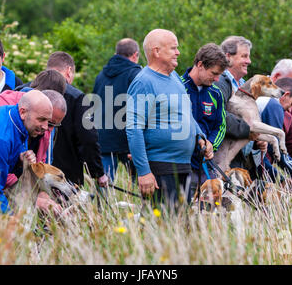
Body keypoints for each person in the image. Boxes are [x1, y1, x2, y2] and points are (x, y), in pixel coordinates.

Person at [126, 29, 213, 211]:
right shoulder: (143, 82)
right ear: (157, 51)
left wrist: (199, 136)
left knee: (179, 228)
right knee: (160, 227)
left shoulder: (174, 77)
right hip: (160, 167)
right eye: (173, 48)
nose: (178, 52)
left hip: (183, 165)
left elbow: (186, 114)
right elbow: (134, 128)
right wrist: (143, 172)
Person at [43, 51, 109, 187]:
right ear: (69, 71)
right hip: (65, 177)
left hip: (29, 175)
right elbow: (88, 138)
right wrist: (97, 172)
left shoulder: (24, 89)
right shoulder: (78, 98)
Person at [180, 43, 228, 202]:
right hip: (180, 163)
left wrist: (211, 145)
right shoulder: (178, 87)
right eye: (214, 73)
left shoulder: (216, 93)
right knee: (180, 211)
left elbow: (220, 126)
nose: (217, 79)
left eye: (220, 75)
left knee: (209, 211)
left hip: (205, 165)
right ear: (200, 65)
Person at [92, 38, 142, 182]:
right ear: (135, 55)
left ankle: (102, 206)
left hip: (104, 139)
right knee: (143, 187)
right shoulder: (137, 75)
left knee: (105, 188)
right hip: (130, 140)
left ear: (116, 54)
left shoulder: (101, 76)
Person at [214, 36, 264, 168]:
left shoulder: (244, 85)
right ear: (227, 57)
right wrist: (248, 130)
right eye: (244, 56)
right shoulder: (219, 82)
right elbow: (220, 116)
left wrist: (258, 140)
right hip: (223, 159)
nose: (249, 61)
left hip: (240, 160)